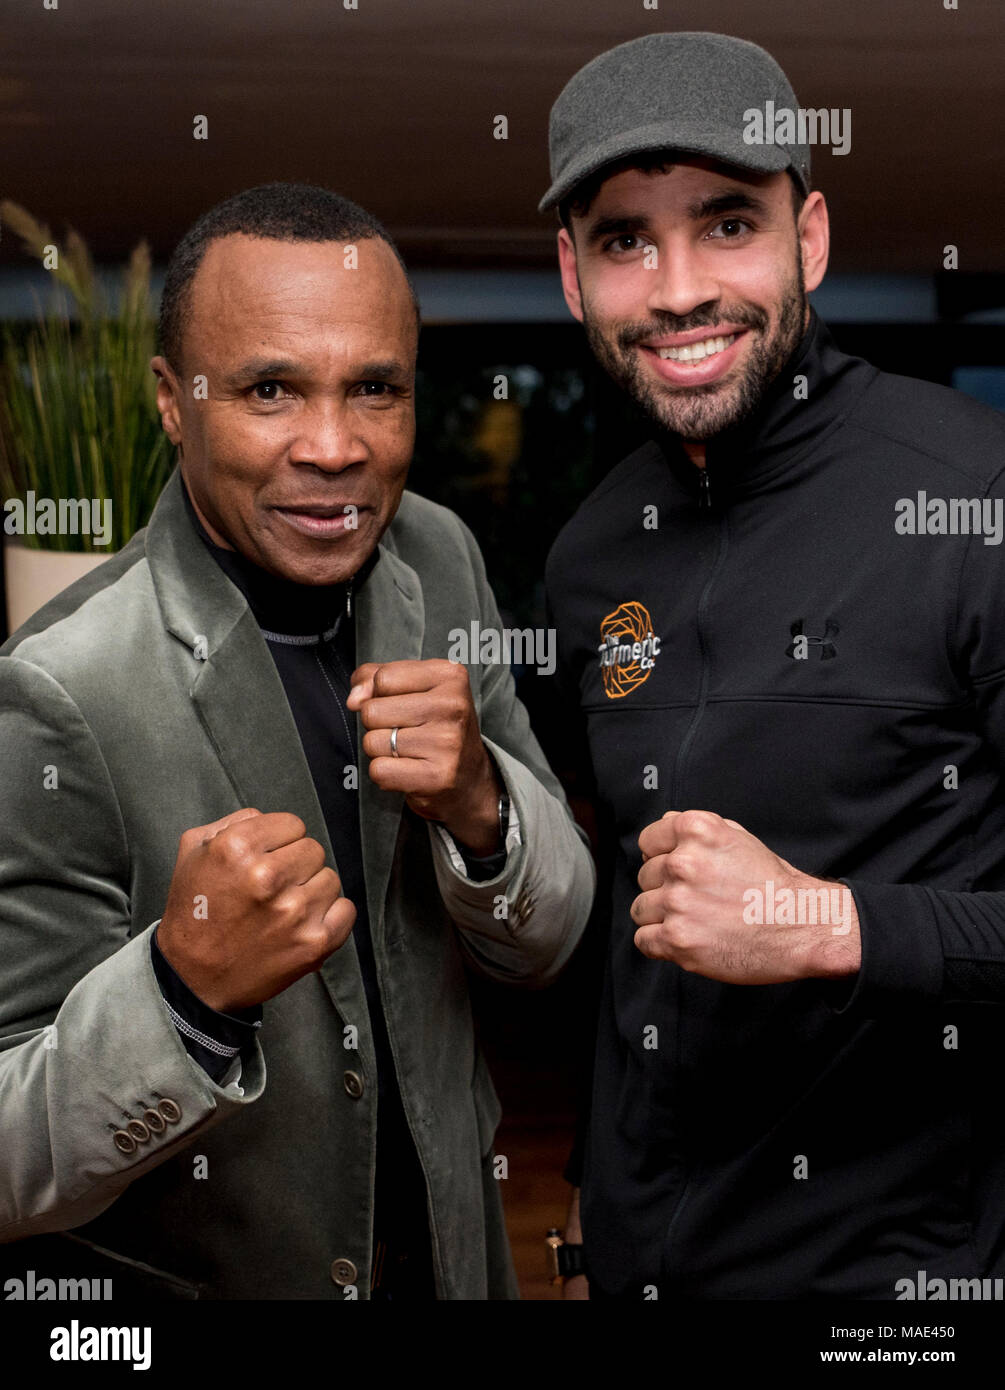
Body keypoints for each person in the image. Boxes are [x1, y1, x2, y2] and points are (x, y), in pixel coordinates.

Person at [0, 183, 594, 1300]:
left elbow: (550, 938)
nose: (335, 448)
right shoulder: (57, 688)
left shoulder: (440, 557)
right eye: (272, 389)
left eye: (376, 389)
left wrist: (484, 806)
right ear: (175, 401)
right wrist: (178, 995)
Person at [540, 32, 1005, 1299]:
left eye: (726, 223)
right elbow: (635, 945)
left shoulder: (972, 498)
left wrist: (827, 921)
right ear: (575, 277)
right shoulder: (589, 557)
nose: (680, 288)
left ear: (808, 240)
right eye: (628, 239)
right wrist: (591, 1221)